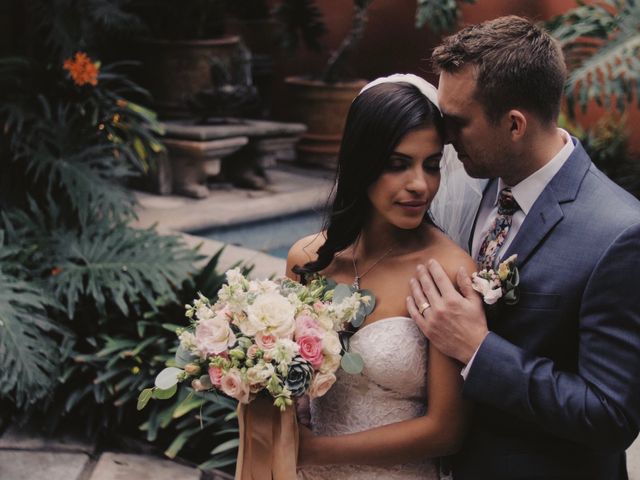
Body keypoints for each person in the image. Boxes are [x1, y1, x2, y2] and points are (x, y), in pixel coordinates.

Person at [407, 15, 640, 479]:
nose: (445, 138)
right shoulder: (468, 188)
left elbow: (610, 417)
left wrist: (479, 348)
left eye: (458, 122)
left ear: (514, 125)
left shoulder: (620, 233)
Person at [286, 74, 474, 479]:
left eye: (432, 165)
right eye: (397, 165)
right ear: (363, 163)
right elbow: (283, 384)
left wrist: (316, 451)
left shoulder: (447, 271)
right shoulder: (308, 259)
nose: (420, 185)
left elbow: (446, 430)